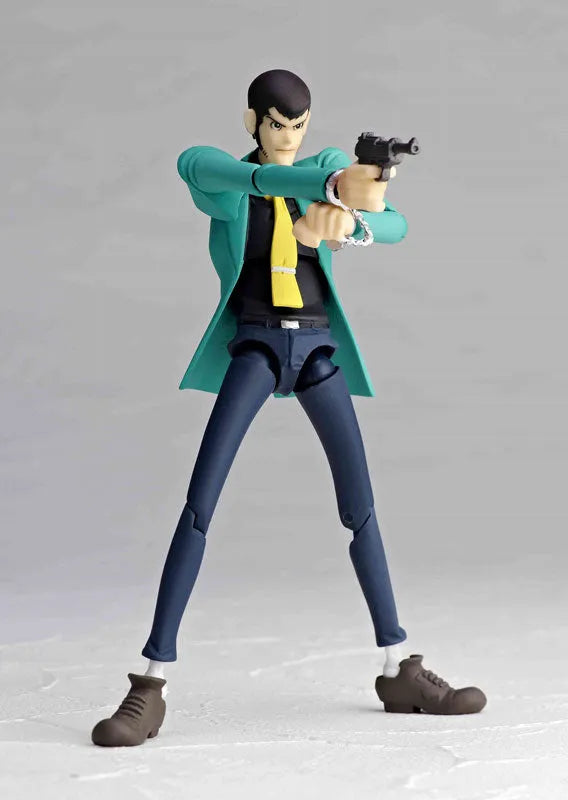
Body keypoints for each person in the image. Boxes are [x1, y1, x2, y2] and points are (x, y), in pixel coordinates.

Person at [91, 69, 486, 747]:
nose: (289, 137)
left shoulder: (326, 170)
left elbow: (395, 224)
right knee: (200, 505)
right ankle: (151, 683)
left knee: (361, 507)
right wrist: (317, 188)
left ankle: (399, 667)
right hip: (256, 347)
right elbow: (207, 168)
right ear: (253, 121)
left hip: (318, 349)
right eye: (277, 125)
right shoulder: (226, 179)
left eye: (299, 127)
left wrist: (349, 220)